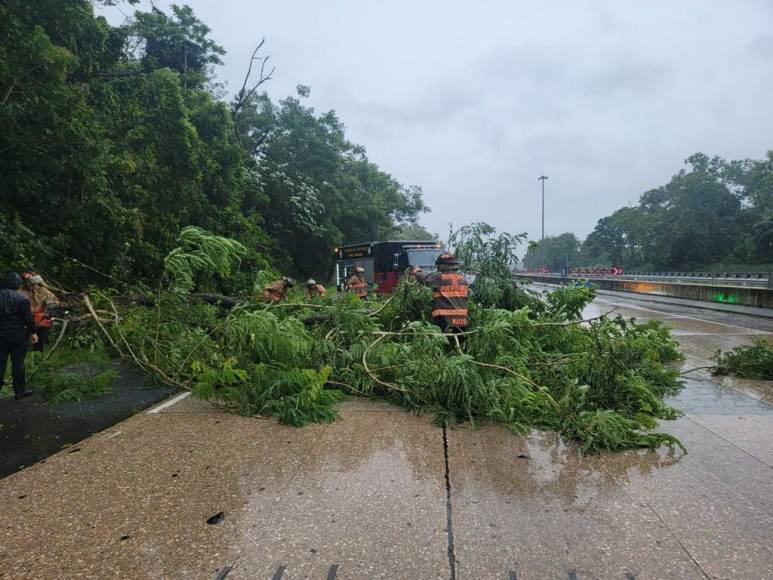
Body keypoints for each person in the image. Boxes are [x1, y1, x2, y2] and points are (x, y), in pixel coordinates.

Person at [0, 272, 38, 400]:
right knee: (18, 363)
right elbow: (28, 319)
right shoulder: (21, 299)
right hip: (17, 335)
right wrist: (33, 332)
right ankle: (19, 391)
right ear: (17, 284)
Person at [412, 252, 470, 332]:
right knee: (460, 343)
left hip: (444, 319)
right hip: (462, 320)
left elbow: (423, 278)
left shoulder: (439, 277)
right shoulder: (464, 279)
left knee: (444, 342)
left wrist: (416, 270)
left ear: (442, 265)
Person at [19, 272, 59, 352]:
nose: (34, 286)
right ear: (26, 284)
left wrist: (47, 307)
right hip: (25, 320)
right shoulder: (20, 292)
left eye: (35, 283)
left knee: (39, 342)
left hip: (40, 319)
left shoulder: (41, 290)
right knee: (21, 344)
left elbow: (56, 301)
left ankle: (38, 354)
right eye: (31, 284)